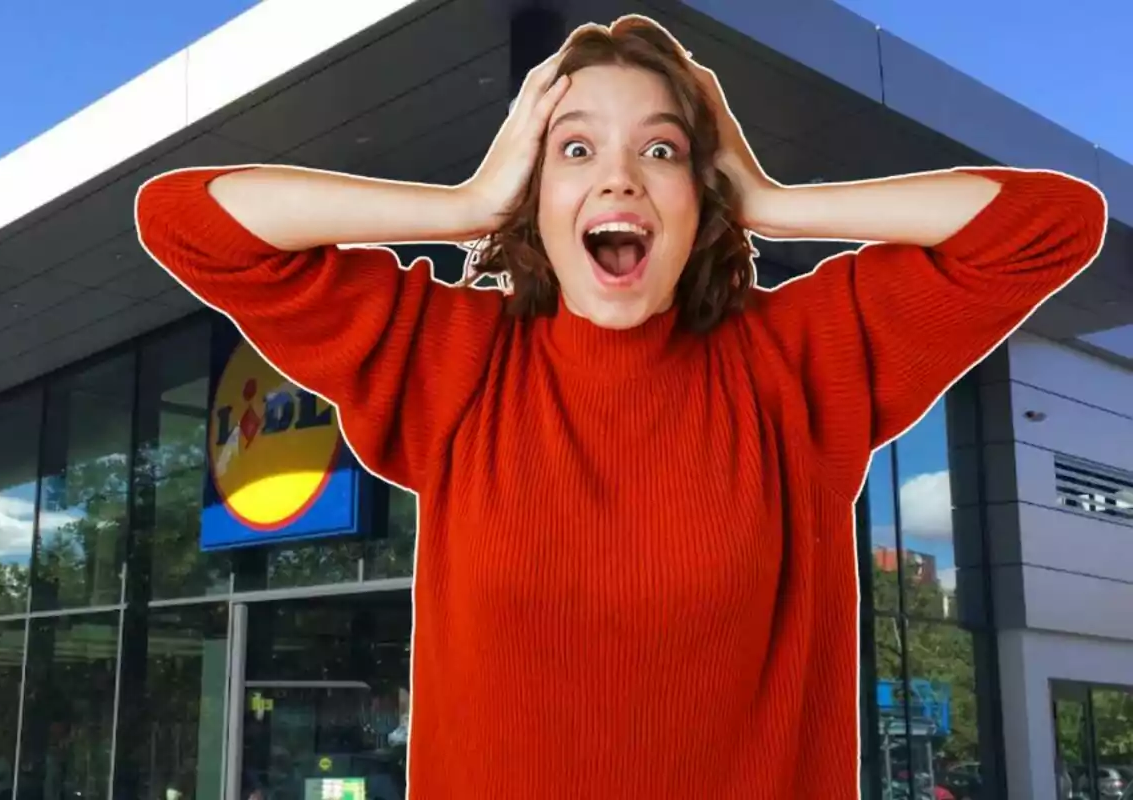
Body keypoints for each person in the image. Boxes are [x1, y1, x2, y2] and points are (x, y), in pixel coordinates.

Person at [134, 15, 1107, 800]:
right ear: (537, 191)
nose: (619, 176)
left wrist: (770, 199)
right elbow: (189, 221)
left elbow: (1050, 226)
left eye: (663, 149)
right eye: (576, 147)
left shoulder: (792, 363)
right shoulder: (460, 363)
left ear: (699, 191)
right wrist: (466, 202)